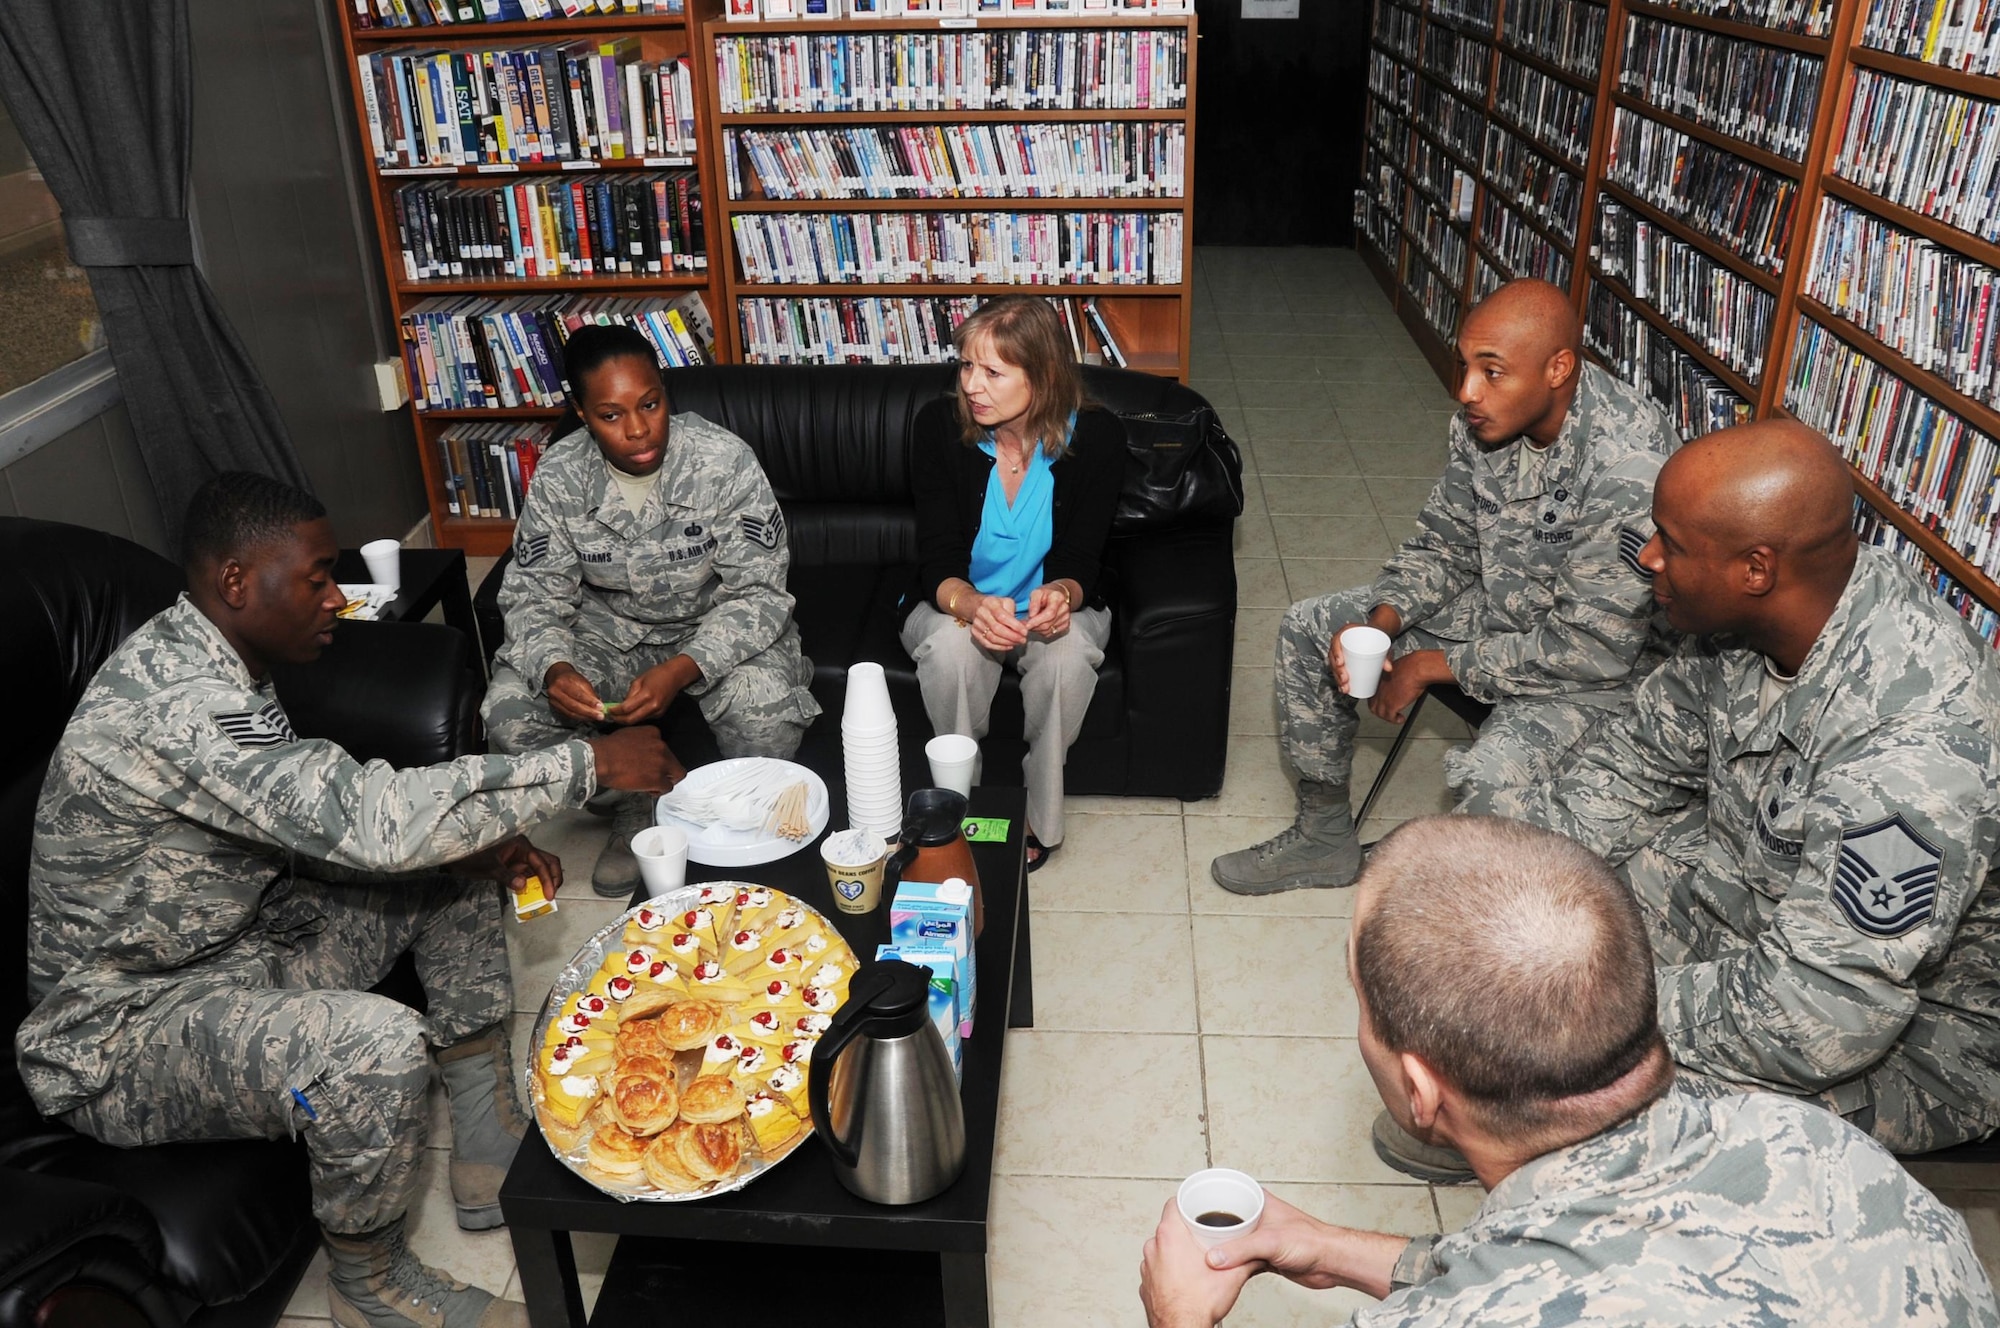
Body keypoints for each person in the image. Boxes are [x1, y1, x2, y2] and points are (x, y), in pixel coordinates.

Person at [19, 473, 683, 1328]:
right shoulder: (177, 705)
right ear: (235, 583)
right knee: (375, 1047)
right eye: (317, 577)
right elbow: (367, 821)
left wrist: (477, 838)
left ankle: (482, 1141)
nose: (337, 598)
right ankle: (367, 1284)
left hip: (238, 945)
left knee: (456, 860)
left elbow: (307, 826)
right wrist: (588, 764)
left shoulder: (216, 655)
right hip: (120, 1030)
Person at [1138, 815, 1997, 1328]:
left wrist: (1179, 1318)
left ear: (1420, 1089)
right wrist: (1323, 1246)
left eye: (1357, 996)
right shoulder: (1817, 1144)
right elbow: (1580, 1249)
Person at [1465, 419, 2000, 1156]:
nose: (1648, 558)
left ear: (1756, 568)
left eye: (1672, 545)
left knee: (1626, 1115)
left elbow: (1817, 1016)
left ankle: (1531, 1119)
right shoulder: (1742, 623)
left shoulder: (1918, 751)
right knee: (1518, 918)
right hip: (1752, 892)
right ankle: (1498, 1084)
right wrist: (1519, 902)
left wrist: (1586, 1008)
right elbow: (1635, 764)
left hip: (1909, 1035)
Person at [1211, 279, 1680, 896]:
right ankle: (1324, 837)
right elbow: (1445, 547)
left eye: (1492, 372)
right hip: (1503, 612)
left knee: (1489, 785)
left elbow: (1591, 650)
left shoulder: (1628, 462)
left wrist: (1432, 665)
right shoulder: (1482, 423)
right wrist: (1381, 624)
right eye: (1466, 367)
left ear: (1559, 369)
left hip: (1602, 678)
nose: (1466, 392)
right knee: (1311, 626)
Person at [482, 322, 820, 895]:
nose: (638, 430)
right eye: (611, 415)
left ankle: (719, 809)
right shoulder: (561, 475)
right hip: (607, 636)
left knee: (766, 711)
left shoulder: (722, 459)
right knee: (511, 715)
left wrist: (684, 666)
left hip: (714, 627)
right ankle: (636, 802)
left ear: (666, 395)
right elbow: (533, 594)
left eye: (650, 404)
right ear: (583, 414)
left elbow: (760, 593)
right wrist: (554, 668)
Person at [900, 295, 1125, 870]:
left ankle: (1038, 818)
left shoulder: (1097, 437)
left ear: (1043, 377)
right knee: (951, 650)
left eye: (993, 372)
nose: (972, 385)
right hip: (957, 600)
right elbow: (936, 559)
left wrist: (1062, 597)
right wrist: (973, 606)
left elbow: (1085, 557)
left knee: (1064, 657)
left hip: (1055, 605)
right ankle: (957, 806)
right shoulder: (937, 428)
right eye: (966, 366)